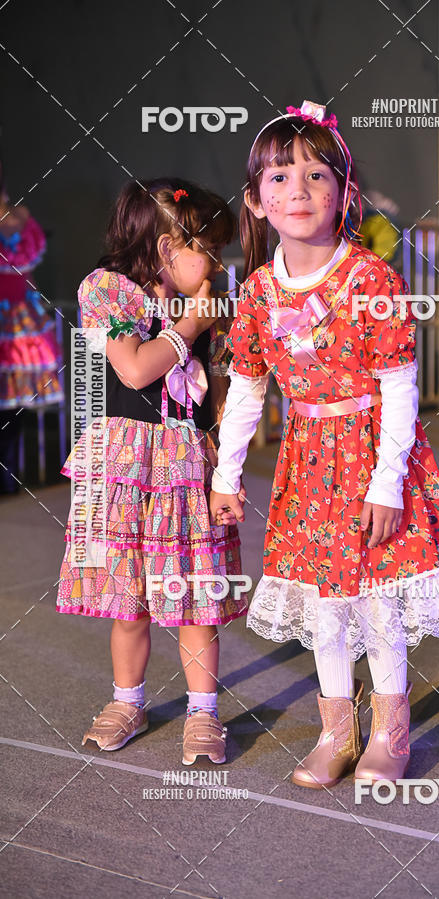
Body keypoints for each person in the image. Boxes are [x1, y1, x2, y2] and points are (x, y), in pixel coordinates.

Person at [210, 101, 439, 789]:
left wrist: (388, 482)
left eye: (315, 175)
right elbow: (246, 388)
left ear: (344, 193)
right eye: (278, 177)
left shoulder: (372, 279)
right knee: (326, 599)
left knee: (376, 595)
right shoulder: (258, 292)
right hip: (307, 463)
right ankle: (336, 729)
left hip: (370, 456)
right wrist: (226, 472)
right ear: (256, 199)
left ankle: (390, 731)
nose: (297, 191)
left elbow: (399, 386)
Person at [56, 178, 246, 763]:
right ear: (167, 247)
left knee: (191, 592)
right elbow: (136, 369)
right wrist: (188, 325)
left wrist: (224, 467)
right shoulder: (106, 289)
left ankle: (203, 712)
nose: (218, 263)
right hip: (123, 461)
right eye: (208, 250)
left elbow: (219, 385)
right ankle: (127, 699)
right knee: (129, 596)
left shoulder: (207, 300)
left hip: (185, 458)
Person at [0, 158, 63, 492]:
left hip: (20, 321)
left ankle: (8, 477)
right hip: (16, 318)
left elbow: (28, 273)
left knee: (16, 401)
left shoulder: (21, 217)